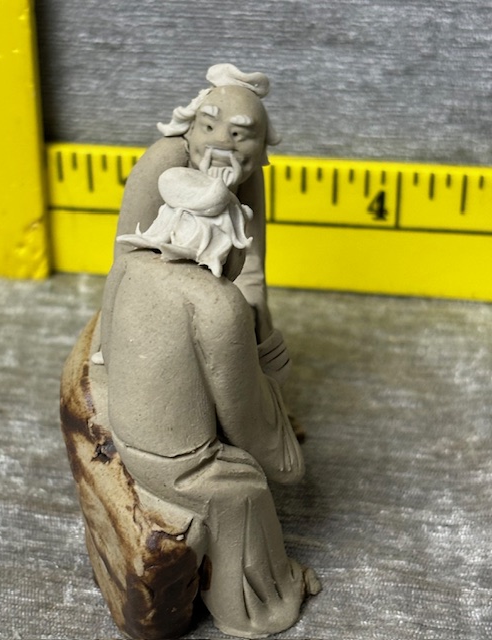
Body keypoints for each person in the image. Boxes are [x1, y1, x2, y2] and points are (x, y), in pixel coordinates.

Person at [100, 166, 319, 639]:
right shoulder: (218, 302)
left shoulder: (128, 267)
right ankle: (255, 609)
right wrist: (271, 381)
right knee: (245, 490)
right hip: (178, 463)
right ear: (225, 239)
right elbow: (243, 413)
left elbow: (109, 352)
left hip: (123, 432)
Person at [113, 64, 288, 373]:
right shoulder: (166, 161)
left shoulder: (246, 175)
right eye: (208, 127)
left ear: (261, 146)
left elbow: (251, 263)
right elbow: (126, 257)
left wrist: (255, 318)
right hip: (152, 294)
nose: (222, 142)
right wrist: (114, 336)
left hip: (217, 301)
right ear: (190, 128)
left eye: (240, 134)